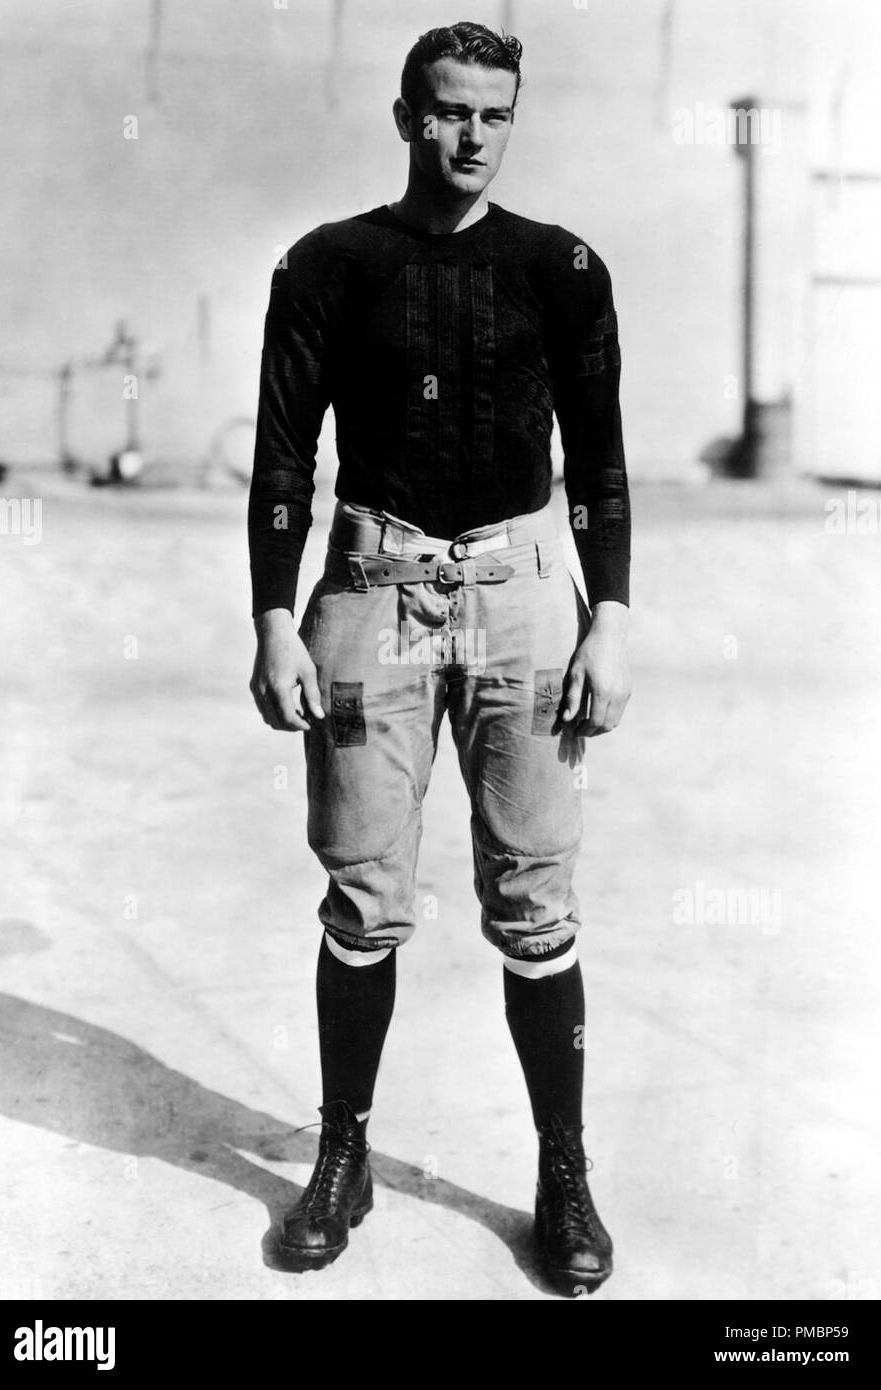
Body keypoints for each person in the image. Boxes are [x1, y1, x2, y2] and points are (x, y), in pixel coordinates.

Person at [248, 20, 631, 1296]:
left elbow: (602, 463)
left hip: (523, 593)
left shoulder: (561, 267)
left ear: (510, 120)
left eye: (491, 115)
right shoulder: (328, 263)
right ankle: (342, 1155)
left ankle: (561, 1171)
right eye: (446, 111)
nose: (468, 137)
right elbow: (283, 458)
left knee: (536, 899)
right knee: (362, 897)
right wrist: (268, 617)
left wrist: (612, 616)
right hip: (373, 585)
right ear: (404, 112)